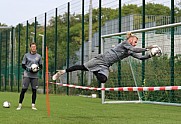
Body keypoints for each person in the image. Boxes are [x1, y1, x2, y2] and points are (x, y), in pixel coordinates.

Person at [52, 32, 158, 83]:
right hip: (101, 59)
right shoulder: (125, 43)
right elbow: (135, 49)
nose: (135, 44)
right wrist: (147, 48)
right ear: (131, 39)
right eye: (135, 42)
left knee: (103, 80)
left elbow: (140, 57)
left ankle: (95, 71)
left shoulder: (129, 51)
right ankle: (62, 72)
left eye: (136, 43)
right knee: (81, 67)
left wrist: (150, 54)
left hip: (106, 65)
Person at [16, 42, 42, 110]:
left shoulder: (39, 56)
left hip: (35, 76)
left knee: (34, 90)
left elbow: (41, 66)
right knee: (24, 89)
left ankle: (33, 105)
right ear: (30, 47)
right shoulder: (26, 55)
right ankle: (20, 105)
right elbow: (23, 65)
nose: (34, 48)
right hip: (27, 75)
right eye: (32, 47)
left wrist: (37, 69)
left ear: (36, 47)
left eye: (35, 47)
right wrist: (28, 69)